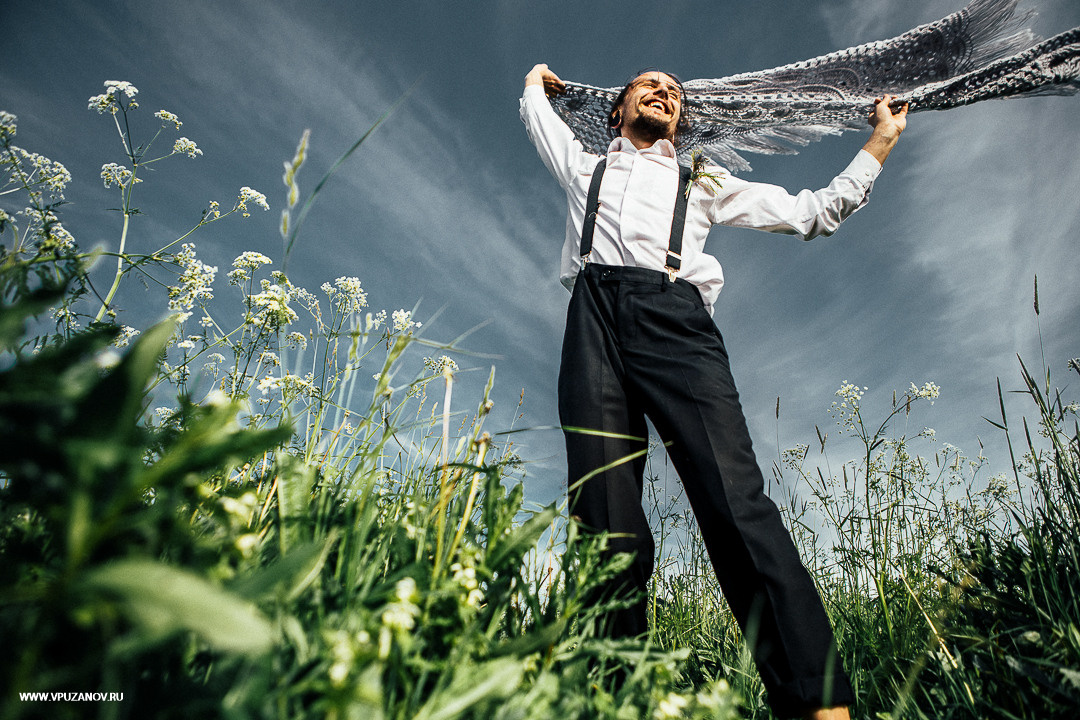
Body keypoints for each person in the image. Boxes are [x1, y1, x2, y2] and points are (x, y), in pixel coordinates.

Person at [520, 63, 908, 720]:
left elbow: (812, 214)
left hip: (676, 322)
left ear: (684, 117)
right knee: (603, 515)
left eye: (673, 89)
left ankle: (817, 702)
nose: (664, 90)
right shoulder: (583, 167)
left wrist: (879, 146)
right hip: (593, 322)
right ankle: (614, 700)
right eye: (647, 84)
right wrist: (536, 83)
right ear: (615, 111)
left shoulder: (702, 178)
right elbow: (536, 115)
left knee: (734, 502)